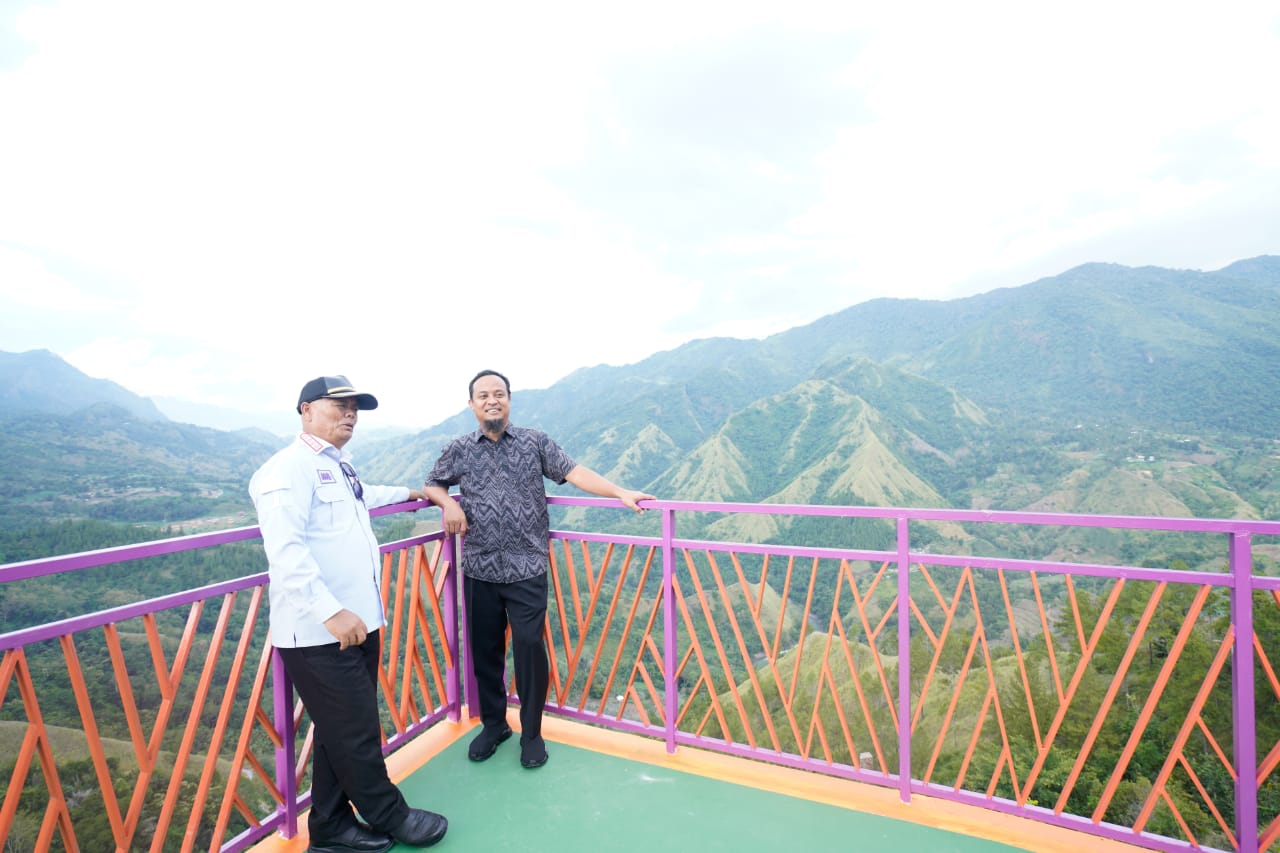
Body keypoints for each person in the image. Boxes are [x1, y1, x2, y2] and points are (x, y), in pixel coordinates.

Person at [249, 375, 448, 853]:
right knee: (356, 730)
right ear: (305, 410)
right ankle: (390, 815)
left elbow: (364, 498)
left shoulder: (337, 465)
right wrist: (330, 612)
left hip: (358, 623)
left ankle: (330, 827)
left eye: (355, 407)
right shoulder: (285, 470)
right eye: (338, 405)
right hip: (320, 632)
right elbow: (286, 553)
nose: (350, 413)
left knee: (337, 732)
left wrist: (414, 493)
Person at [422, 369, 655, 770]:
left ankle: (532, 732)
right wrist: (449, 504)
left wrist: (619, 492)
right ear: (471, 404)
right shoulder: (458, 449)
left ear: (509, 400)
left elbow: (574, 472)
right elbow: (432, 483)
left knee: (530, 649)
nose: (492, 400)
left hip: (527, 566)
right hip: (478, 566)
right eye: (483, 395)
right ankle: (495, 725)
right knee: (485, 652)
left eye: (499, 394)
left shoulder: (534, 442)